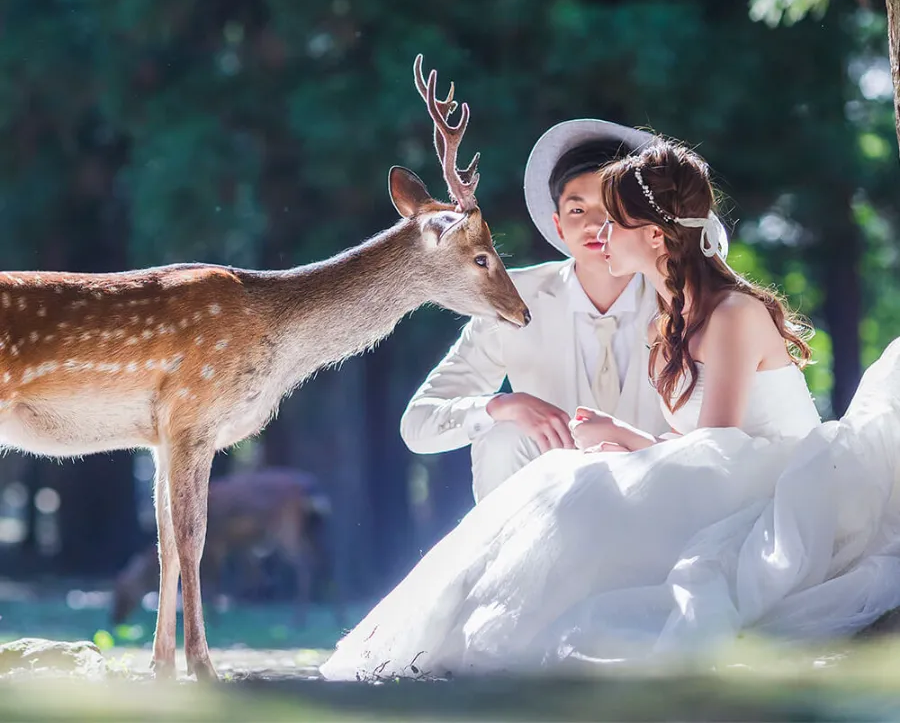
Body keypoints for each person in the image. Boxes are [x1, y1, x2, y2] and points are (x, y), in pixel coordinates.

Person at [320, 139, 900, 680]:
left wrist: (623, 439)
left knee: (578, 489)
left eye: (613, 220)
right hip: (713, 476)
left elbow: (722, 452)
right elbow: (699, 448)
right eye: (585, 216)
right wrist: (587, 428)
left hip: (776, 485)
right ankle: (449, 636)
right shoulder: (663, 319)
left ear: (653, 235)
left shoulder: (728, 314)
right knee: (560, 479)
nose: (600, 232)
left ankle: (510, 637)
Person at [400, 119, 670, 502]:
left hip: (659, 502)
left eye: (610, 209)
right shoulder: (512, 300)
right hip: (547, 512)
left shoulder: (679, 300)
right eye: (577, 211)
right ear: (558, 227)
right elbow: (419, 423)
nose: (595, 225)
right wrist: (502, 405)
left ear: (640, 220)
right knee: (502, 435)